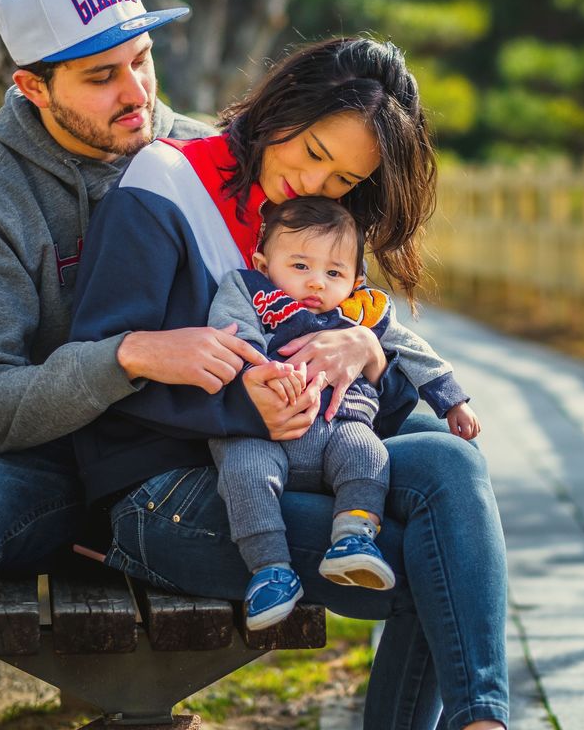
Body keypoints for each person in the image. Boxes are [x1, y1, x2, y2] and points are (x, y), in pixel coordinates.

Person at [0, 0, 273, 729]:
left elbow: (317, 265)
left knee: (420, 475)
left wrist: (363, 339)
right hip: (48, 467)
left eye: (141, 61)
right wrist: (126, 357)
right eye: (100, 76)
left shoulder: (199, 155)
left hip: (194, 453)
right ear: (32, 86)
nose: (136, 93)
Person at [69, 37, 509, 729]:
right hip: (165, 493)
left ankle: (483, 718)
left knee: (453, 461)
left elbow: (377, 409)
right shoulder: (164, 187)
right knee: (440, 561)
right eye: (312, 155)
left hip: (297, 459)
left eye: (343, 182)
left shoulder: (311, 230)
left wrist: (364, 348)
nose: (317, 187)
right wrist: (243, 406)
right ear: (280, 110)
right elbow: (101, 372)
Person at [203, 196, 480, 630]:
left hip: (340, 425)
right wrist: (261, 370)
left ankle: (353, 538)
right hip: (263, 435)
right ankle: (270, 569)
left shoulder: (363, 311)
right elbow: (230, 332)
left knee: (370, 454)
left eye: (334, 273)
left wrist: (452, 399)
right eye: (300, 266)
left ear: (355, 279)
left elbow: (414, 351)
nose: (316, 283)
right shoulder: (250, 290)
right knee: (242, 473)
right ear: (263, 262)